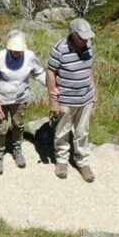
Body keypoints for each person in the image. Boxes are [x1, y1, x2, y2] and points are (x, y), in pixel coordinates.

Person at [44, 18, 98, 182]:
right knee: (62, 131)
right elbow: (51, 73)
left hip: (85, 98)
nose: (86, 40)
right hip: (66, 100)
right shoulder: (59, 49)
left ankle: (82, 162)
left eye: (88, 36)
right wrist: (53, 99)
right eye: (83, 37)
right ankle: (61, 161)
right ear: (74, 35)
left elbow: (89, 67)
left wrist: (93, 87)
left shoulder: (88, 45)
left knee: (82, 132)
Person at [0, 29, 45, 174]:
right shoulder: (0, 57)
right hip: (2, 98)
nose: (16, 52)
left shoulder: (30, 56)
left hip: (20, 98)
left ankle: (17, 149)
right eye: (13, 50)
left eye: (19, 50)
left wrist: (52, 87)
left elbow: (39, 73)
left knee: (18, 124)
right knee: (2, 127)